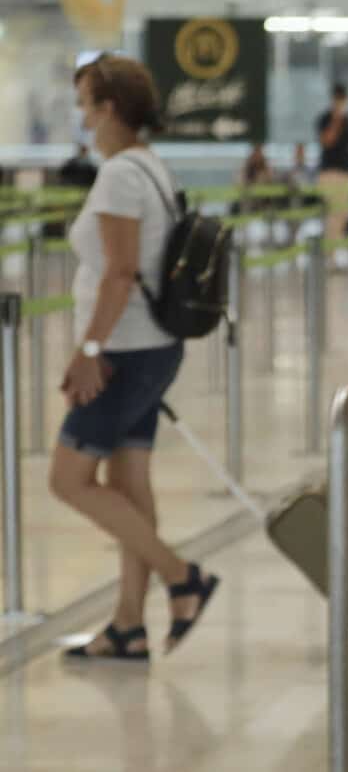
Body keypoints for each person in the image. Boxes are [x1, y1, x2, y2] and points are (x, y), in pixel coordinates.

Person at [49, 55, 221, 661]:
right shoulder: (149, 166)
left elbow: (121, 271)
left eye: (86, 101)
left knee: (68, 480)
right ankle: (127, 625)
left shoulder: (122, 174)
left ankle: (183, 578)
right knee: (127, 481)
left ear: (109, 109)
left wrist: (88, 350)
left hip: (123, 351)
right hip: (152, 347)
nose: (81, 114)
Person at [314, 82, 348, 265]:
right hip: (329, 173)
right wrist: (336, 119)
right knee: (334, 214)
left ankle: (331, 254)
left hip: (345, 173)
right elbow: (327, 141)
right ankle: (329, 256)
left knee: (342, 214)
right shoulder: (325, 119)